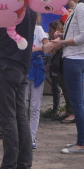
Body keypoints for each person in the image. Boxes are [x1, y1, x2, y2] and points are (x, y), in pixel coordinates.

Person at [0, 8, 37, 169]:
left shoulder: (14, 3)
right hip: (21, 64)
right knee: (20, 115)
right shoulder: (30, 7)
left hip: (8, 63)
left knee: (7, 116)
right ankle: (23, 167)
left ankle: (9, 167)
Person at [46, 0, 84, 154]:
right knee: (79, 102)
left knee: (78, 103)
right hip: (76, 58)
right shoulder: (82, 8)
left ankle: (82, 144)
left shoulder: (81, 9)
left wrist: (62, 42)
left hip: (74, 59)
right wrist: (63, 36)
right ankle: (83, 141)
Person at [26, 20, 49, 150]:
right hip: (23, 69)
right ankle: (22, 135)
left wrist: (35, 50)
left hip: (37, 69)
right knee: (21, 104)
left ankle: (32, 137)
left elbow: (48, 45)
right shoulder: (17, 28)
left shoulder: (38, 29)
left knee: (35, 106)